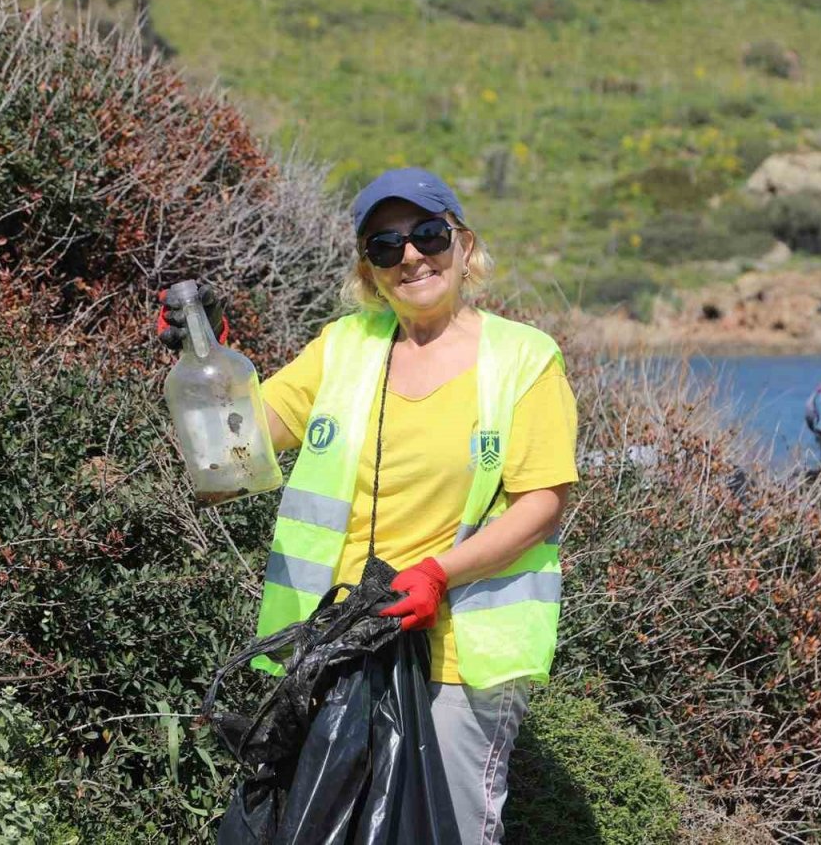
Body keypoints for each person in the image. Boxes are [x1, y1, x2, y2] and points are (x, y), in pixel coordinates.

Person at [160, 167, 578, 842]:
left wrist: (437, 574)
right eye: (385, 246)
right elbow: (236, 450)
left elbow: (542, 504)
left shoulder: (524, 360)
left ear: (464, 245)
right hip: (339, 645)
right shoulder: (344, 348)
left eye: (428, 234)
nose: (410, 256)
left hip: (458, 657)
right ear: (369, 270)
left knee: (448, 830)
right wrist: (203, 354)